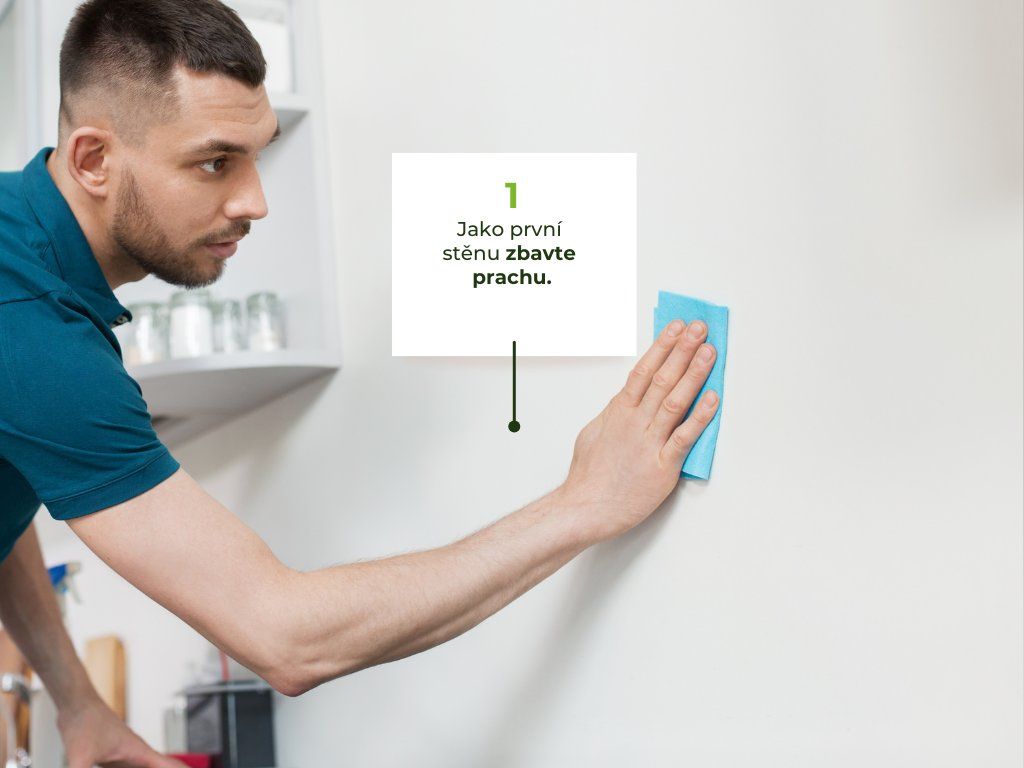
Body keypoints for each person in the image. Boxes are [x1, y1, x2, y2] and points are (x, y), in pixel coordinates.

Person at [0, 0, 720, 765]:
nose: (254, 201)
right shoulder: (32, 325)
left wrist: (79, 703)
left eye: (258, 155)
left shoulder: (27, 264)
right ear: (93, 161)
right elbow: (285, 636)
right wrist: (583, 503)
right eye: (215, 162)